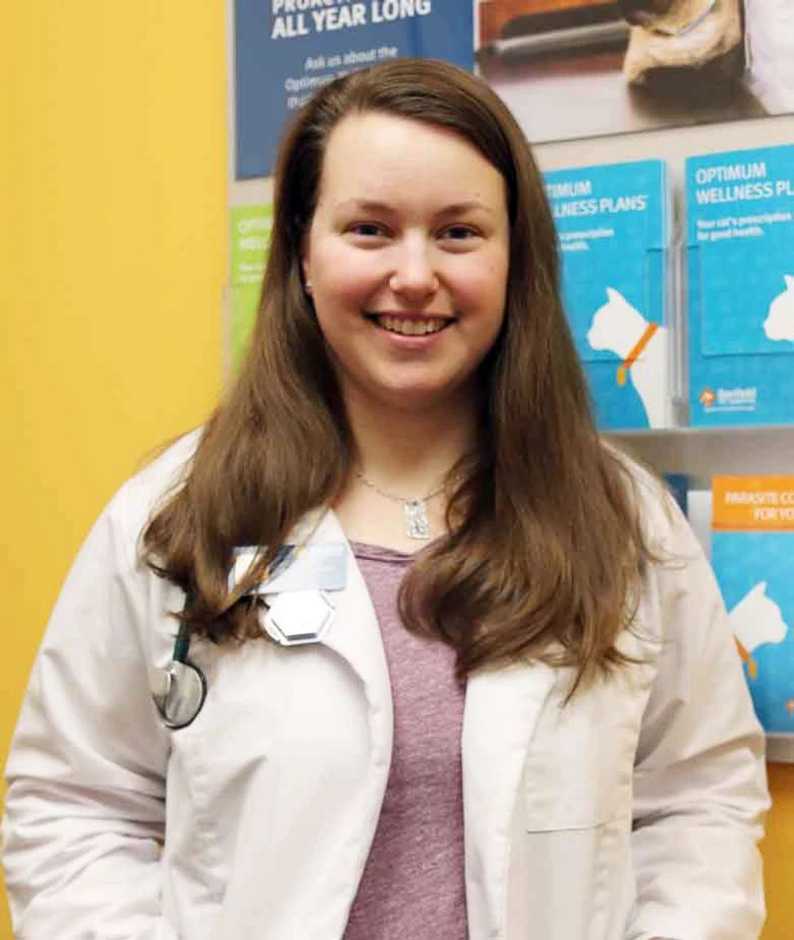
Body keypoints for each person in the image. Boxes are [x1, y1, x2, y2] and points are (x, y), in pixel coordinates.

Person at [3, 58, 768, 939]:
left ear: (516, 258)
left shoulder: (621, 523)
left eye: (457, 233)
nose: (414, 275)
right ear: (302, 252)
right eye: (369, 229)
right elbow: (74, 811)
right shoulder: (176, 518)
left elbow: (697, 802)